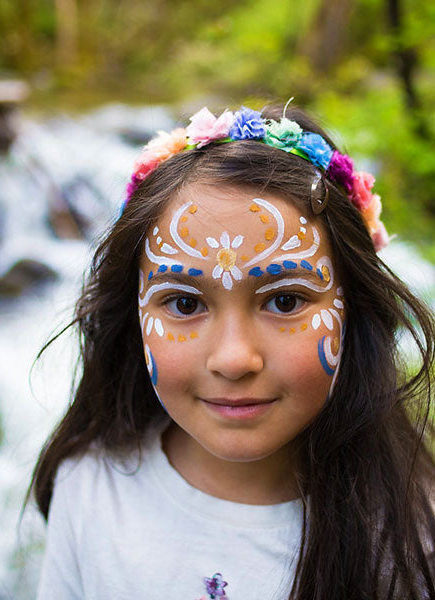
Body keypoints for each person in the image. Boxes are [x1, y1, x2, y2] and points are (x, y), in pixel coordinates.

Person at [31, 101, 435, 599]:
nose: (234, 359)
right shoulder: (89, 491)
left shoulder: (410, 534)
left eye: (285, 301)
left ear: (354, 306)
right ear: (132, 314)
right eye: (183, 302)